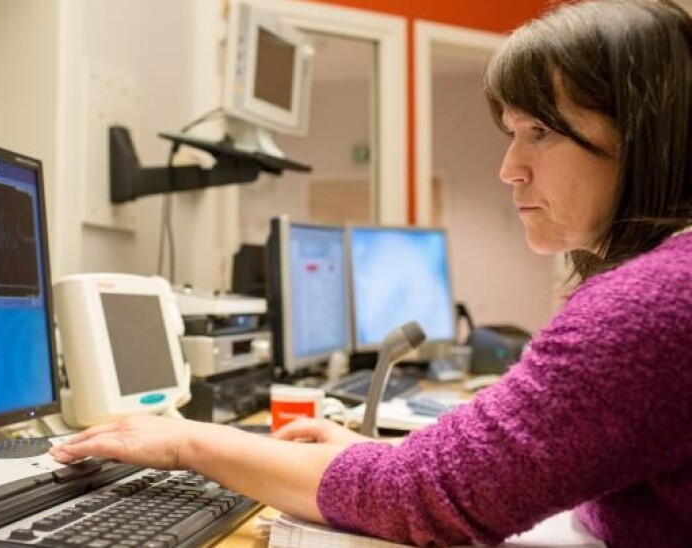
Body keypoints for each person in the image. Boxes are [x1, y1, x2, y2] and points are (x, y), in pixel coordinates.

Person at [52, 0, 692, 545]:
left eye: (540, 133)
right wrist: (385, 459)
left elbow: (424, 497)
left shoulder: (652, 304)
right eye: (510, 132)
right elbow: (457, 477)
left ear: (644, 136)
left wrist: (185, 443)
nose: (510, 168)